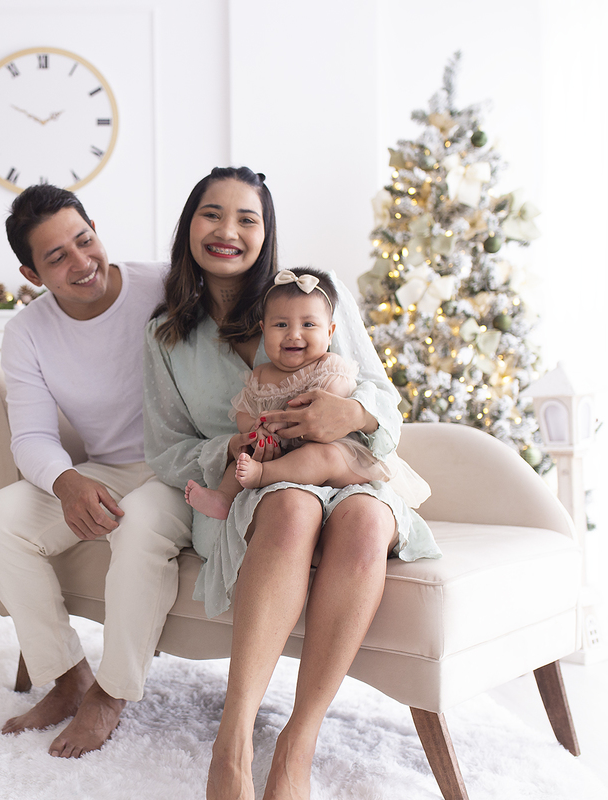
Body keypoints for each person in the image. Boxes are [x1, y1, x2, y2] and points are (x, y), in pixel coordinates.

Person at [142, 167, 442, 799]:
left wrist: (352, 414)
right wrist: (231, 447)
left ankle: (296, 747)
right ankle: (232, 742)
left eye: (246, 218)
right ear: (189, 225)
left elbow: (383, 399)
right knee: (292, 507)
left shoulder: (317, 296)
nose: (227, 231)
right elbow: (166, 450)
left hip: (347, 468)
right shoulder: (167, 333)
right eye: (211, 214)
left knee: (366, 519)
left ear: (266, 231)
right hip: (251, 485)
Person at [0, 183, 193, 759]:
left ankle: (111, 695)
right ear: (31, 273)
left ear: (95, 229)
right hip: (109, 468)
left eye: (83, 240)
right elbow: (32, 437)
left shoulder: (165, 284)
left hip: (179, 467)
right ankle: (67, 677)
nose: (81, 262)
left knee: (139, 524)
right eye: (57, 257)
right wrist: (67, 481)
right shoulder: (27, 332)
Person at [184, 267, 431, 521]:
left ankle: (262, 475)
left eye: (308, 324)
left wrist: (285, 420)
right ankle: (224, 498)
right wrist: (254, 430)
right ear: (264, 329)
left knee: (318, 456)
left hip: (336, 456)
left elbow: (334, 396)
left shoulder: (328, 365)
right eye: (281, 324)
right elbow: (244, 409)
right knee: (242, 456)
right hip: (281, 454)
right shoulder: (260, 375)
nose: (293, 334)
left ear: (329, 332)